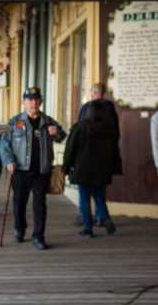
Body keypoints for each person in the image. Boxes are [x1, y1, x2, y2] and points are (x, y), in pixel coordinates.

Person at [0, 87, 66, 250]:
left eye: (36, 99)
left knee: (40, 204)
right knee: (19, 203)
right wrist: (8, 161)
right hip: (20, 170)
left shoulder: (48, 121)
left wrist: (57, 132)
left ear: (41, 102)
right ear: (24, 102)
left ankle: (38, 236)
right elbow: (4, 144)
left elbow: (62, 137)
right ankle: (20, 228)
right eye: (29, 100)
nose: (33, 103)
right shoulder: (15, 122)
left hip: (41, 171)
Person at [63, 100, 122, 237]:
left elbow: (70, 149)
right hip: (101, 170)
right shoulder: (109, 129)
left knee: (84, 199)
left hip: (82, 170)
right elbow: (114, 150)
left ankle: (88, 229)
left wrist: (66, 167)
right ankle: (105, 218)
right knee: (99, 197)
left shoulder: (80, 127)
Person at [75, 83, 121, 227]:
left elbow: (79, 133)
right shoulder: (110, 109)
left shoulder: (86, 108)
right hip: (105, 158)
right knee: (99, 191)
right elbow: (116, 134)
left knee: (85, 194)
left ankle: (87, 222)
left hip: (86, 158)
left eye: (92, 92)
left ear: (94, 93)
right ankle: (101, 218)